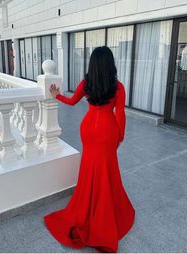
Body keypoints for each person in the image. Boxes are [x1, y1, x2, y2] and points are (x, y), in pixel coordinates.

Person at [43, 46, 135, 253]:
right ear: (111, 64)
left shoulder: (86, 84)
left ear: (92, 64)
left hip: (89, 129)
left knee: (89, 167)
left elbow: (71, 101)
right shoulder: (118, 87)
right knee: (106, 169)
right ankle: (103, 210)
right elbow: (120, 114)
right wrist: (120, 137)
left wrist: (57, 95)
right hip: (108, 130)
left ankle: (87, 203)